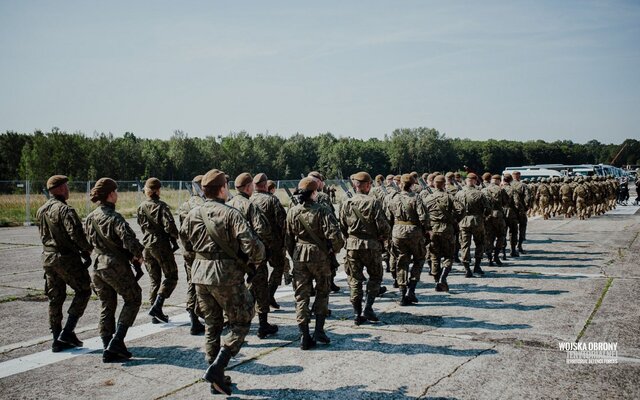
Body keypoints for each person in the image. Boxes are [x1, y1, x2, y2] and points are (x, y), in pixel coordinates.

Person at [180, 169, 265, 396]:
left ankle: (214, 378)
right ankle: (218, 366)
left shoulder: (193, 214)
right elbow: (252, 245)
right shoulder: (230, 214)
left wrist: (197, 265)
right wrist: (255, 262)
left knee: (212, 324)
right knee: (243, 319)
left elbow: (185, 247)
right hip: (225, 276)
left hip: (200, 275)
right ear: (221, 189)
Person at [84, 178, 144, 362]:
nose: (117, 195)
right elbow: (128, 239)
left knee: (107, 305)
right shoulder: (114, 217)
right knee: (133, 298)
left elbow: (86, 244)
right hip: (114, 265)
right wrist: (138, 254)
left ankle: (108, 345)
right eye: (115, 192)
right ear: (110, 194)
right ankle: (117, 342)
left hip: (97, 266)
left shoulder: (89, 218)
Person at [285, 177, 344, 350]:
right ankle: (318, 330)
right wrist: (334, 250)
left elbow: (288, 239)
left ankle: (304, 334)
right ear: (313, 193)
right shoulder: (323, 211)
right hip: (320, 256)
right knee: (322, 292)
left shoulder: (292, 212)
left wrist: (293, 254)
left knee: (301, 295)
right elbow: (335, 235)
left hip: (299, 255)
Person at [36, 175, 93, 352]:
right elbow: (75, 234)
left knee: (55, 298)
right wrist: (87, 250)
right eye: (66, 186)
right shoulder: (65, 210)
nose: (68, 190)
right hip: (65, 258)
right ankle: (67, 332)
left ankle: (56, 338)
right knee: (84, 290)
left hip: (48, 258)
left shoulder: (41, 210)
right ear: (59, 189)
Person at [227, 172, 278, 338]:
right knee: (260, 288)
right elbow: (263, 230)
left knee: (237, 291)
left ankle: (236, 323)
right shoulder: (249, 205)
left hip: (233, 257)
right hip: (251, 256)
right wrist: (265, 248)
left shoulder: (228, 203)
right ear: (249, 187)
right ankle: (263, 325)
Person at [338, 172, 391, 324]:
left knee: (354, 279)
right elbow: (383, 226)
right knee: (375, 276)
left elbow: (341, 225)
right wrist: (383, 237)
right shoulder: (373, 202)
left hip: (352, 246)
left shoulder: (346, 203)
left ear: (355, 185)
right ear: (368, 185)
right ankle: (368, 307)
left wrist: (349, 238)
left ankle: (356, 313)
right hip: (371, 245)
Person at [136, 178, 180, 324]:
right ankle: (157, 306)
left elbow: (141, 225)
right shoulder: (162, 207)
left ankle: (155, 313)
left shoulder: (141, 207)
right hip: (160, 244)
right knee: (171, 275)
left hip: (147, 244)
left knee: (155, 280)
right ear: (158, 190)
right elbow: (170, 227)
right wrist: (175, 236)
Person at [386, 174, 431, 305]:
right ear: (412, 184)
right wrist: (427, 230)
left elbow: (388, 217)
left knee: (401, 261)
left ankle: (401, 293)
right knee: (419, 259)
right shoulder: (416, 198)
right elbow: (423, 217)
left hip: (397, 232)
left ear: (400, 184)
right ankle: (411, 289)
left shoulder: (393, 198)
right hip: (414, 232)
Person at [251, 173, 291, 309]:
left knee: (255, 272)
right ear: (265, 184)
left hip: (253, 243)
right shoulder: (272, 200)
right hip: (273, 243)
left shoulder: (248, 200)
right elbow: (283, 222)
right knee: (278, 267)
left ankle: (253, 300)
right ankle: (269, 295)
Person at [423, 175, 461, 292]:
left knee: (434, 256)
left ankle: (436, 280)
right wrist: (455, 220)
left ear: (434, 184)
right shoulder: (449, 197)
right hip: (447, 229)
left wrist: (427, 227)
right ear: (444, 184)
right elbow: (461, 209)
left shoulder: (427, 198)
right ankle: (443, 278)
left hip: (433, 230)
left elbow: (422, 214)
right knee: (449, 256)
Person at [177, 175, 206, 335]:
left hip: (188, 250)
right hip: (203, 251)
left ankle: (193, 319)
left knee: (191, 283)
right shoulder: (205, 204)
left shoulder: (185, 205)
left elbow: (181, 230)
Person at [455, 173, 490, 277]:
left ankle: (467, 269)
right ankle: (477, 266)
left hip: (463, 222)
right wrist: (483, 216)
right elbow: (488, 209)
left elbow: (455, 209)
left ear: (466, 181)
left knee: (465, 245)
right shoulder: (480, 194)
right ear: (475, 181)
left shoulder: (459, 194)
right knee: (479, 244)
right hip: (477, 221)